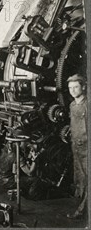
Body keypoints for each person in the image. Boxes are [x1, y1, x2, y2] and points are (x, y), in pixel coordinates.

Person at [65, 74, 87, 219]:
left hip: (87, 148)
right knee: (80, 178)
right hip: (76, 146)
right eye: (70, 88)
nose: (72, 91)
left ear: (83, 87)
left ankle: (81, 211)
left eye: (76, 87)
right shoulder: (72, 105)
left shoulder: (88, 104)